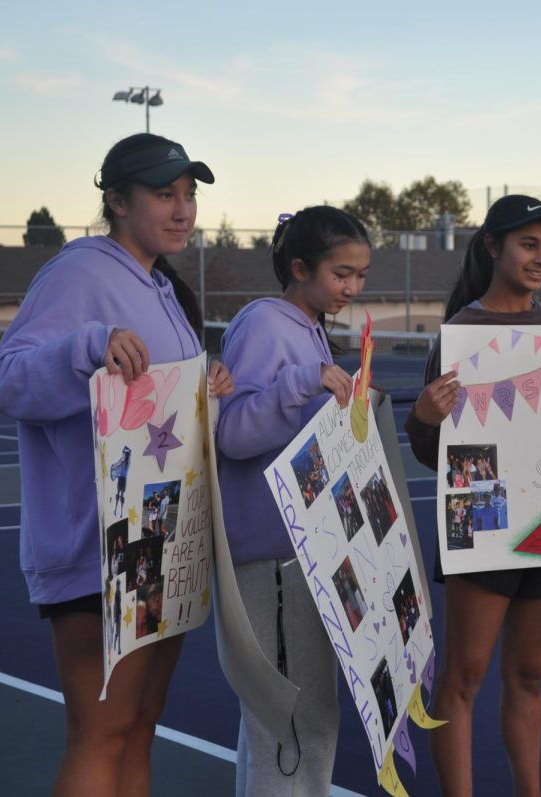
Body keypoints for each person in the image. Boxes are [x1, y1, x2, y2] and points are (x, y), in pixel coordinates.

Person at [0, 132, 232, 796]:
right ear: (117, 200)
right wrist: (88, 347)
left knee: (139, 726)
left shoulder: (163, 287)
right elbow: (6, 380)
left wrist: (205, 387)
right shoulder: (79, 271)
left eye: (189, 195)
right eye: (163, 194)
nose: (182, 210)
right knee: (100, 734)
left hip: (163, 537)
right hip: (102, 547)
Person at [404, 195, 541, 797]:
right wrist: (423, 419)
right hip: (482, 524)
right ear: (493, 247)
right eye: (529, 244)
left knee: (529, 675)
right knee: (464, 679)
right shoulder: (461, 334)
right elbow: (433, 452)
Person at [215, 205, 371, 796]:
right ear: (300, 267)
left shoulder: (306, 327)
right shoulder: (266, 324)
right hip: (274, 559)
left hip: (298, 553)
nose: (351, 288)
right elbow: (232, 432)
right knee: (296, 720)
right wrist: (302, 384)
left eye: (360, 276)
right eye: (341, 274)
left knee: (276, 720)